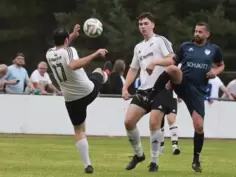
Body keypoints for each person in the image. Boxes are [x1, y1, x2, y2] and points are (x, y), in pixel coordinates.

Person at [144, 22, 225, 172]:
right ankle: (152, 95)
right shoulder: (186, 46)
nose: (196, 34)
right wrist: (162, 71)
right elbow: (173, 62)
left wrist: (216, 72)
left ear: (207, 34)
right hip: (183, 83)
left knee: (199, 125)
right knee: (173, 68)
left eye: (200, 32)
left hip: (198, 91)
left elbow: (221, 65)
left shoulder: (214, 50)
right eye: (195, 31)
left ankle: (196, 160)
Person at [45, 25, 109, 174]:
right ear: (66, 40)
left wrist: (72, 36)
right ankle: (106, 73)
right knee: (98, 71)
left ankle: (87, 164)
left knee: (79, 130)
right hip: (88, 92)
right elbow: (73, 64)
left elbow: (62, 50)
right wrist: (96, 54)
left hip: (71, 99)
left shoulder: (49, 53)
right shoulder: (70, 51)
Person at [122, 12, 177, 172]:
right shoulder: (138, 47)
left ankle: (154, 162)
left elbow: (173, 59)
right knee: (129, 122)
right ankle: (139, 155)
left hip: (161, 88)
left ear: (153, 25)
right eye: (140, 24)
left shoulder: (160, 41)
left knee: (154, 123)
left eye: (146, 23)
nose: (143, 26)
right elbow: (133, 69)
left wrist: (155, 62)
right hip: (144, 90)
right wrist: (125, 87)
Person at [159, 84, 180, 155]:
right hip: (159, 95)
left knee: (171, 119)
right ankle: (160, 147)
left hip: (172, 96)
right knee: (159, 121)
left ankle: (175, 146)